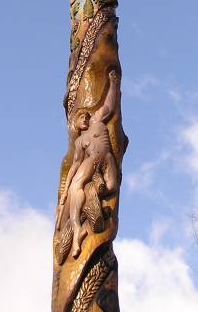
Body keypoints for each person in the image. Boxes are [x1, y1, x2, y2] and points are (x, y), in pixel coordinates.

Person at [57, 69, 120, 258]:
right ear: (75, 123)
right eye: (81, 117)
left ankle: (97, 192)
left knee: (111, 186)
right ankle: (77, 230)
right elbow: (75, 166)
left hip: (106, 158)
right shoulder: (80, 142)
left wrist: (113, 85)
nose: (84, 118)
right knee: (77, 183)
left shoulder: (98, 120)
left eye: (86, 116)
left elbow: (109, 105)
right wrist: (65, 191)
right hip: (92, 161)